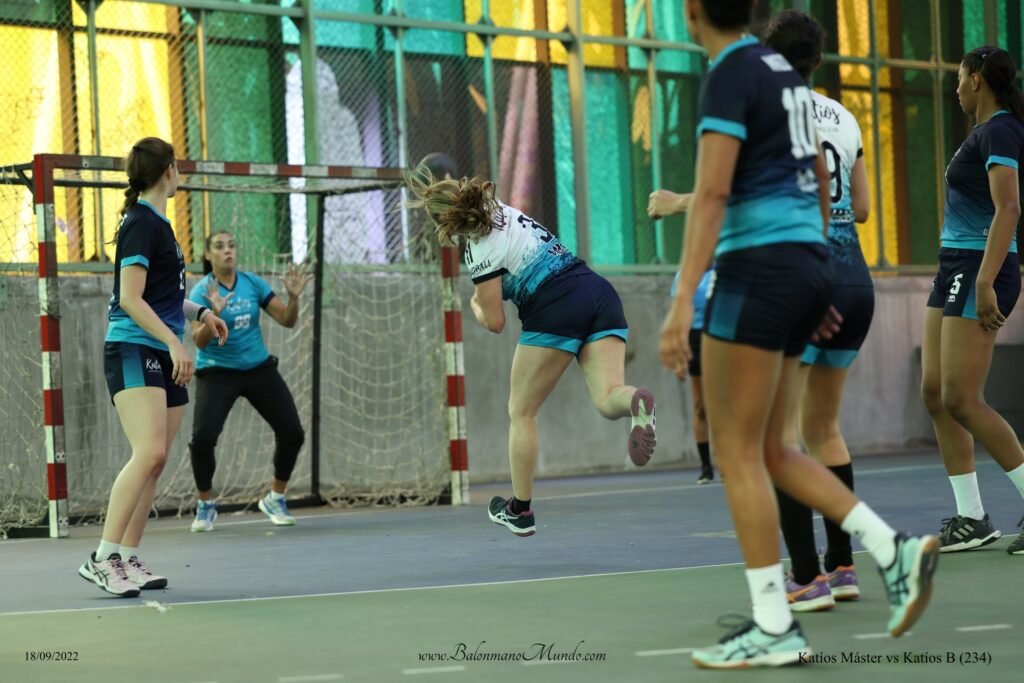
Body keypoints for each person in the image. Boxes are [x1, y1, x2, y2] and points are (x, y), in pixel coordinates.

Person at [659, 1, 939, 668]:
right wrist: (813, 274)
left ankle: (773, 622)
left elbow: (714, 194)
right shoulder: (786, 78)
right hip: (808, 265)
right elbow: (817, 176)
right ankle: (892, 550)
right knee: (776, 449)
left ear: (693, 12)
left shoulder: (730, 74)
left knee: (739, 452)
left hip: (756, 272)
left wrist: (681, 301)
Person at [405, 165, 656, 537]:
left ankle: (520, 511)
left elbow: (494, 321)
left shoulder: (478, 250)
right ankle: (636, 401)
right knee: (608, 398)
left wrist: (475, 304)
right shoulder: (499, 208)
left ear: (448, 224)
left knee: (521, 411)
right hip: (598, 292)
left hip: (555, 307)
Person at [761, 9, 875, 611]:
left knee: (779, 435)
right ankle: (843, 564)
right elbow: (862, 208)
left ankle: (806, 577)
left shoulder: (771, 112)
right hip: (855, 279)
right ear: (819, 60)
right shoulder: (844, 115)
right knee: (824, 428)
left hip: (805, 280)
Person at [79, 137, 228, 597]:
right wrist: (173, 342)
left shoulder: (160, 225)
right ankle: (102, 559)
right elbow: (130, 298)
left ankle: (127, 556)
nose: (180, 173)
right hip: (132, 346)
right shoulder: (140, 223)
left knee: (156, 460)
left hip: (163, 349)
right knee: (148, 452)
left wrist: (200, 313)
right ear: (168, 170)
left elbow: (162, 296)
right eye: (177, 166)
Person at [920, 46, 1024, 556]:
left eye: (960, 78)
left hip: (980, 267)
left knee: (962, 397)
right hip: (953, 265)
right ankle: (972, 518)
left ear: (978, 80)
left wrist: (984, 280)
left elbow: (1009, 208)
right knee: (935, 392)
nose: (956, 87)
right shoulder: (981, 134)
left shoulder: (1000, 131)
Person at [187, 231, 310, 532]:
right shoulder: (201, 292)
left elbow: (288, 320)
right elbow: (199, 342)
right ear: (208, 255)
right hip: (217, 372)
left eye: (231, 245)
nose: (227, 251)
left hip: (258, 369)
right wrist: (214, 314)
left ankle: (275, 498)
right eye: (219, 247)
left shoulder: (253, 284)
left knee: (292, 433)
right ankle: (205, 505)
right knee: (202, 439)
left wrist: (294, 298)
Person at [648, 190, 716, 483]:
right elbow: (680, 316)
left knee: (725, 404)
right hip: (696, 338)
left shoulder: (724, 271)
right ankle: (706, 467)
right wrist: (678, 355)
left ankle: (734, 459)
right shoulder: (684, 278)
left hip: (720, 337)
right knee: (701, 405)